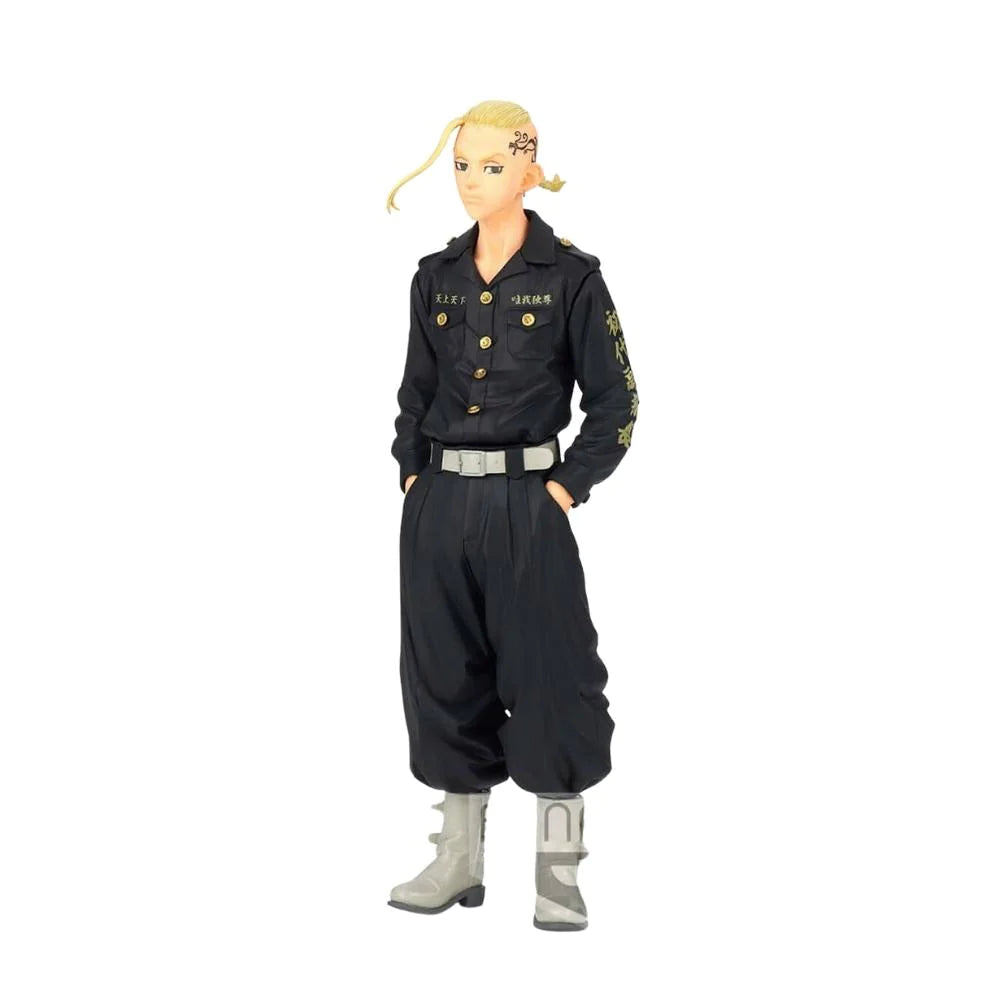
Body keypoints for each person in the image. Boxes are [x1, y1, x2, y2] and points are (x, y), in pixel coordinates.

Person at [385, 100, 638, 930]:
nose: (471, 182)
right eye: (461, 165)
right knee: (441, 674)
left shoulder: (571, 277)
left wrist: (564, 488)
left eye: (492, 166)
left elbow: (616, 401)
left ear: (530, 171)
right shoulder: (435, 276)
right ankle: (457, 859)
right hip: (439, 505)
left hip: (530, 505)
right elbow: (415, 392)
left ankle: (559, 872)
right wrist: (413, 476)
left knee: (552, 673)